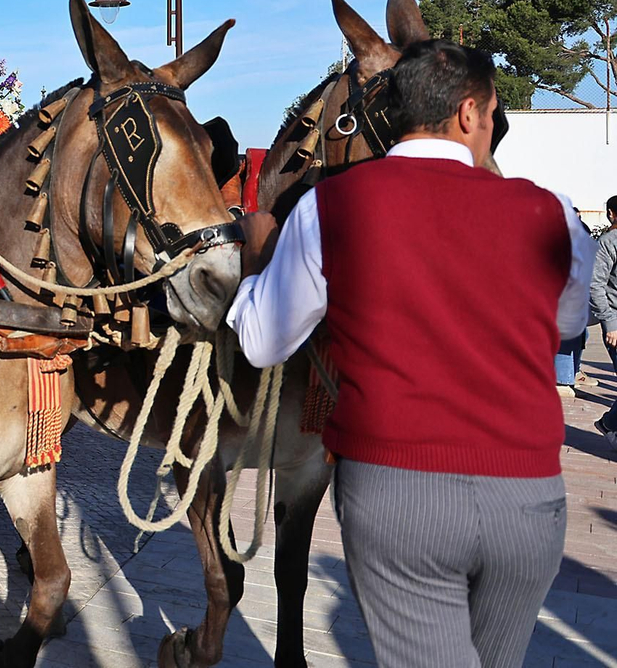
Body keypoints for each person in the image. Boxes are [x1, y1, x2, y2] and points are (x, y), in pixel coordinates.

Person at [230, 40, 593, 668]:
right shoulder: (551, 212)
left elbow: (262, 344)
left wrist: (257, 263)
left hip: (397, 494)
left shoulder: (329, 207)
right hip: (527, 497)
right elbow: (567, 322)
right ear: (470, 113)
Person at [589, 195, 617, 451]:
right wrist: (610, 323)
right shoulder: (608, 242)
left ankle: (610, 424)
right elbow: (595, 285)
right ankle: (609, 424)